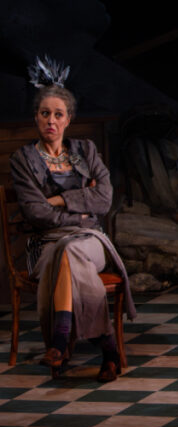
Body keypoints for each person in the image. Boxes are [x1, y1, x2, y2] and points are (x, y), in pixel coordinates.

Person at [9, 56, 135, 382]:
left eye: (58, 114)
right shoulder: (23, 159)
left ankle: (60, 342)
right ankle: (107, 348)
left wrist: (59, 199)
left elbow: (104, 199)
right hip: (46, 245)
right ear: (36, 117)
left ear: (68, 119)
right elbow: (35, 212)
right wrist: (81, 206)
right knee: (67, 253)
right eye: (44, 113)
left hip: (91, 241)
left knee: (71, 251)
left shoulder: (86, 151)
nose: (51, 120)